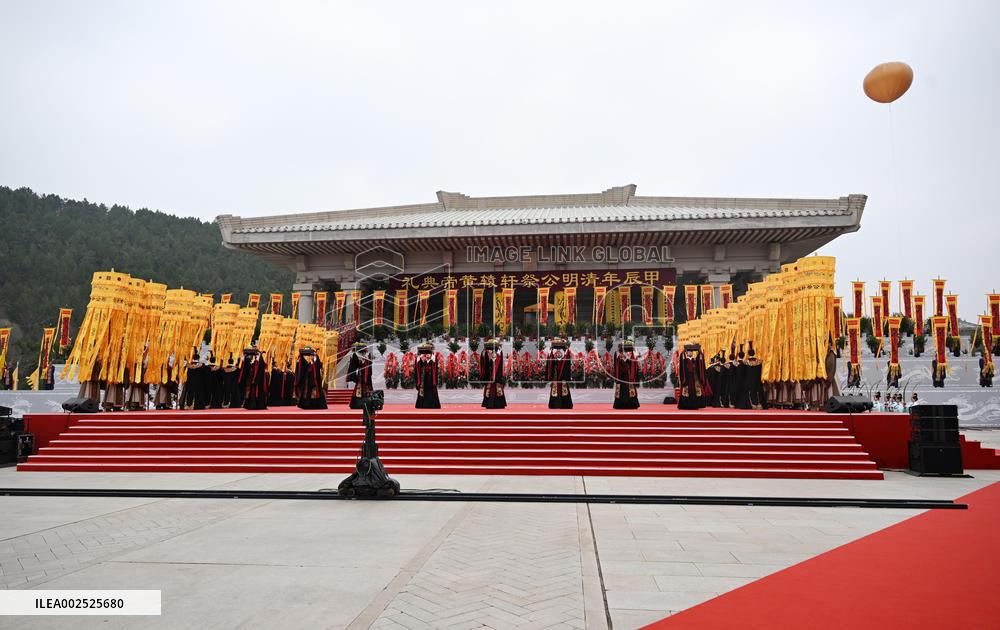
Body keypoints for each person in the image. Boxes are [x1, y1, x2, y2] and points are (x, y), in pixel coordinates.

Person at [676, 343, 710, 410]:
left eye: (691, 352)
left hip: (695, 378)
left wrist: (699, 352)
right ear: (686, 352)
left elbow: (700, 361)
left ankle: (697, 404)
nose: (690, 353)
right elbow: (681, 359)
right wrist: (683, 351)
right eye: (688, 352)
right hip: (687, 378)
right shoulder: (684, 360)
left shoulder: (695, 360)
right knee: (686, 391)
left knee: (696, 390)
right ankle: (685, 405)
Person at [613, 338, 641, 409]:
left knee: (628, 389)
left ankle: (622, 404)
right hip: (625, 375)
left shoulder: (627, 354)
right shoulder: (620, 354)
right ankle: (631, 404)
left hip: (624, 375)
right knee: (624, 389)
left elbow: (616, 365)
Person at [546, 337, 573, 409]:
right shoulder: (553, 355)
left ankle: (564, 404)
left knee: (564, 389)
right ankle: (555, 404)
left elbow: (567, 365)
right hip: (556, 375)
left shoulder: (565, 356)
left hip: (562, 376)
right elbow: (550, 365)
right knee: (556, 389)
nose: (558, 351)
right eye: (556, 349)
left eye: (559, 349)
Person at [480, 339, 507, 409]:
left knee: (497, 387)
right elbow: (485, 361)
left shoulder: (498, 352)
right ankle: (495, 404)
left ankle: (494, 404)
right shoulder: (488, 352)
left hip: (496, 372)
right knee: (491, 387)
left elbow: (498, 362)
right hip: (492, 373)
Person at [347, 342, 374, 410]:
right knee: (360, 388)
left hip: (365, 374)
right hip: (362, 374)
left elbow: (353, 366)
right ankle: (366, 403)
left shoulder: (363, 355)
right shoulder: (358, 355)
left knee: (364, 388)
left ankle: (366, 403)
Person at [415, 342, 441, 409]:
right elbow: (417, 366)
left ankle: (433, 405)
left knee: (432, 392)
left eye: (429, 353)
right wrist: (418, 356)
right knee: (422, 391)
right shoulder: (422, 361)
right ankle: (422, 405)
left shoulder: (433, 361)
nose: (427, 355)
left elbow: (436, 368)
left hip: (431, 380)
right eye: (426, 353)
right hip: (423, 380)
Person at [744, 341, 767, 409]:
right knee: (758, 391)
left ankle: (751, 404)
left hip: (748, 380)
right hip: (757, 379)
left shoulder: (746, 362)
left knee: (750, 392)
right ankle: (759, 404)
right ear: (754, 353)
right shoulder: (759, 361)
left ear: (748, 353)